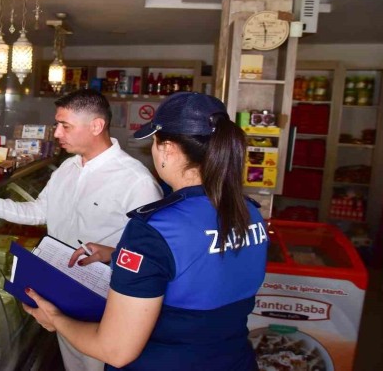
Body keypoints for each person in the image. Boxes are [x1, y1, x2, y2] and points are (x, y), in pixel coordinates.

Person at [22, 92, 268, 371]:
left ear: (167, 149)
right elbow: (199, 269)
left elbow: (115, 350)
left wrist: (55, 319)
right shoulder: (249, 212)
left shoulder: (156, 228)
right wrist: (117, 256)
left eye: (153, 141)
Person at [0, 89, 163, 371]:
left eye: (65, 126)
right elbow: (39, 211)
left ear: (96, 126)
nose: (57, 133)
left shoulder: (136, 181)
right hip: (59, 288)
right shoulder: (67, 168)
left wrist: (112, 253)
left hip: (104, 301)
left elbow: (154, 255)